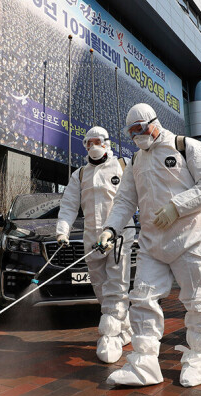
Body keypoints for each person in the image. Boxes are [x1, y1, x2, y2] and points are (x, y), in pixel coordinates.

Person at [97, 103, 201, 387]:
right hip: (153, 242)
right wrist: (110, 229)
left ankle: (200, 358)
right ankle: (144, 363)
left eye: (139, 129)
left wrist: (177, 207)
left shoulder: (185, 146)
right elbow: (125, 200)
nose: (136, 136)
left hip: (190, 236)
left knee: (197, 299)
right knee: (141, 298)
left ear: (153, 122)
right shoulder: (135, 162)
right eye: (131, 132)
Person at [56, 126, 134, 364]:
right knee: (100, 288)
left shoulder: (124, 166)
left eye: (97, 141)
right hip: (92, 239)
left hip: (119, 235)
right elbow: (69, 205)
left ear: (107, 142)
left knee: (117, 285)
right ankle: (125, 327)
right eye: (88, 143)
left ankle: (109, 337)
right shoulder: (80, 174)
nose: (92, 146)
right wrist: (62, 231)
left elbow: (139, 195)